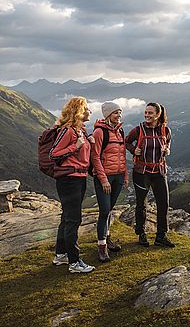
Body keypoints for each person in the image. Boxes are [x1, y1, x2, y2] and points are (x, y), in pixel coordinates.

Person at [49, 96, 96, 273]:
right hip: (70, 179)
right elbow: (54, 154)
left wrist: (87, 141)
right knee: (73, 220)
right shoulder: (68, 131)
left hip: (78, 178)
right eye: (86, 109)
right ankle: (75, 263)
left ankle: (61, 255)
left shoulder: (80, 131)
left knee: (67, 217)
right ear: (78, 112)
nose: (89, 111)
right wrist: (75, 146)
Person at [125, 102, 174, 248]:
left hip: (159, 171)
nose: (147, 115)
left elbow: (168, 144)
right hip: (142, 172)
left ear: (158, 115)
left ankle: (161, 236)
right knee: (141, 204)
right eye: (146, 112)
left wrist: (167, 150)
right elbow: (126, 142)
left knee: (163, 203)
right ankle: (141, 233)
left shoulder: (165, 130)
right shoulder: (138, 130)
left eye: (150, 113)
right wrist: (134, 150)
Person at [90, 102, 128, 262]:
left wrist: (125, 176)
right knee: (104, 211)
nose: (118, 115)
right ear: (107, 115)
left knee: (110, 210)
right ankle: (102, 248)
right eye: (115, 113)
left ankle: (107, 238)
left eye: (119, 112)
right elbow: (95, 157)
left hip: (119, 176)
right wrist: (103, 179)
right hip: (105, 178)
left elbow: (122, 155)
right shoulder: (99, 132)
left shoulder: (120, 131)